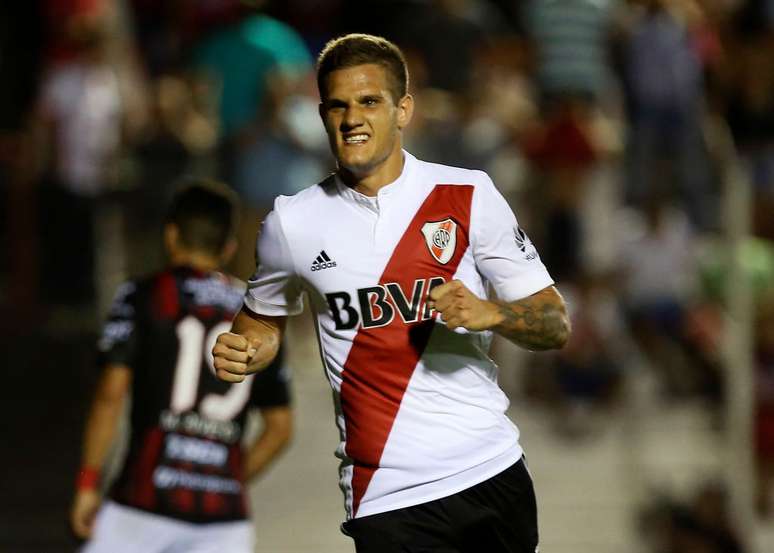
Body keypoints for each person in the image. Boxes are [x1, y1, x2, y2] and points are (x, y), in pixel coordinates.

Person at [213, 34, 570, 553]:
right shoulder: (292, 222)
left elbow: (554, 323)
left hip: (491, 473)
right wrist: (247, 349)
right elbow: (262, 325)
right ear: (321, 114)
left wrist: (491, 313)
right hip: (386, 497)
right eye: (337, 105)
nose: (351, 117)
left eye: (369, 102)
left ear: (403, 110)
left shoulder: (468, 195)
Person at [70, 179, 292, 552]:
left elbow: (110, 394)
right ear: (228, 247)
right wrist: (228, 479)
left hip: (143, 503)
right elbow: (279, 429)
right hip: (224, 520)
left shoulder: (143, 296)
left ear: (171, 235)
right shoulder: (256, 314)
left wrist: (88, 483)